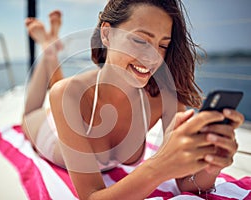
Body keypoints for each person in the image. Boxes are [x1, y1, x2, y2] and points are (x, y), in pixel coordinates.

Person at [22, 1, 244, 199]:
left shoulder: (165, 98)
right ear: (107, 35)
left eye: (163, 45)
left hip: (75, 105)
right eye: (140, 40)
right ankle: (49, 49)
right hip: (48, 133)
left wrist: (211, 165)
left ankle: (51, 46)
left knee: (67, 92)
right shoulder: (65, 94)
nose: (153, 57)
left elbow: (189, 185)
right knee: (30, 114)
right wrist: (159, 167)